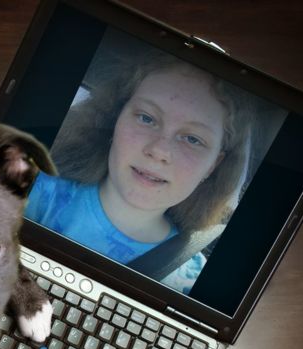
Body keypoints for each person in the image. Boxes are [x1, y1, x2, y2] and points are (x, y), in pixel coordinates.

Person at [25, 51, 255, 294]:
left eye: (192, 139)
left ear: (212, 165)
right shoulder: (29, 189)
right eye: (146, 118)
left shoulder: (194, 284)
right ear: (115, 119)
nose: (159, 151)